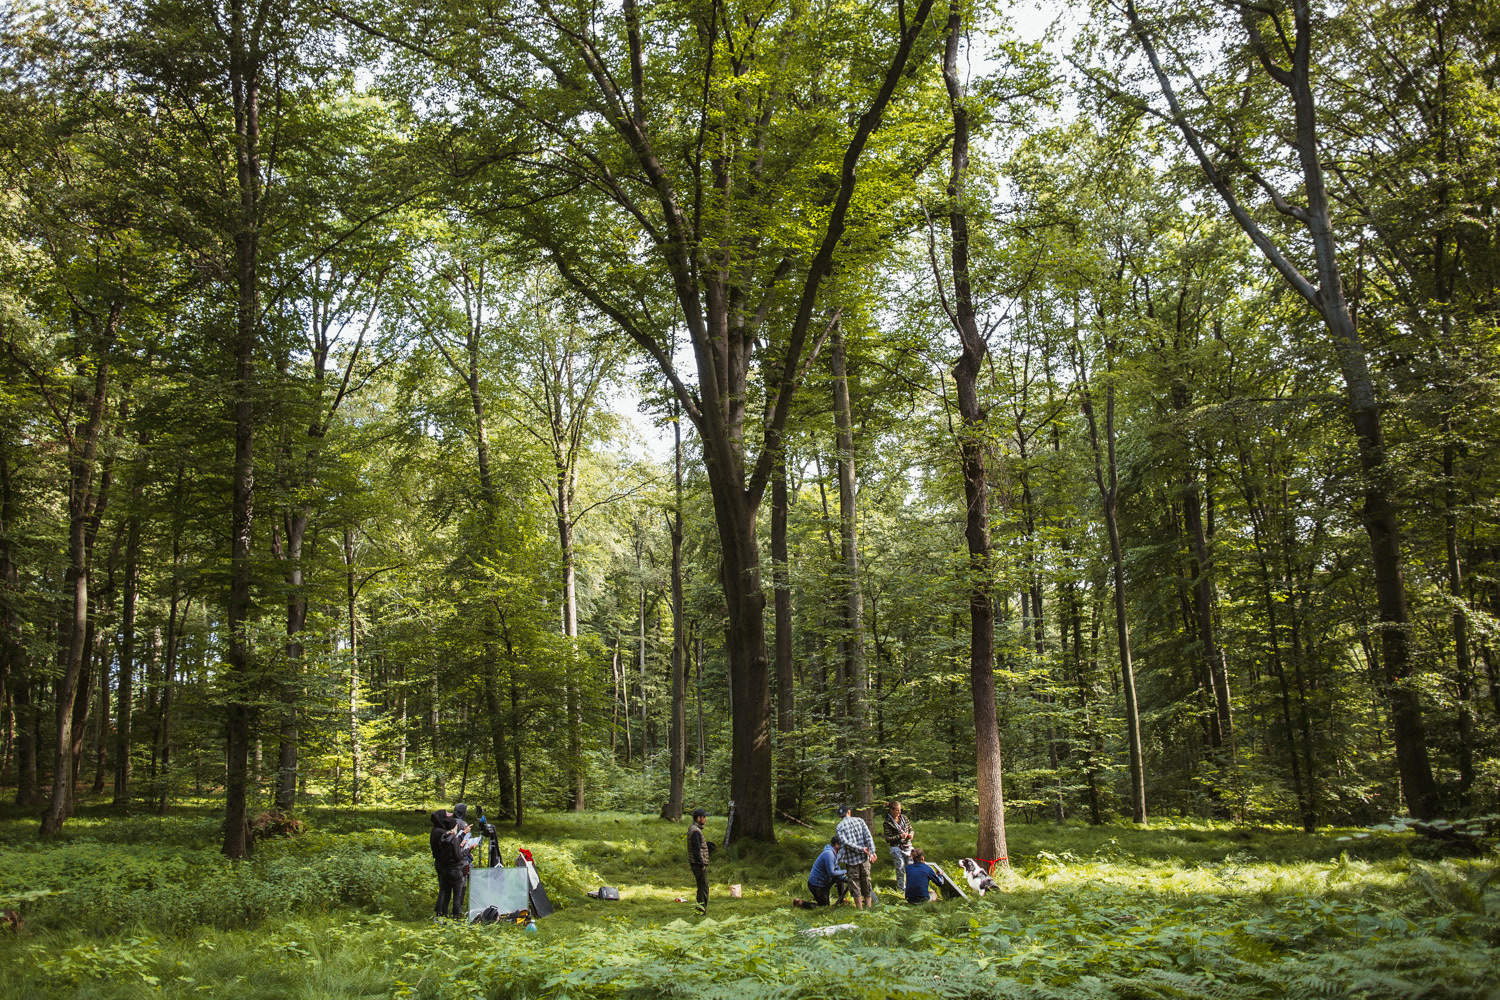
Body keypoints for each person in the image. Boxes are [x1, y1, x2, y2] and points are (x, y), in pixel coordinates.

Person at [833, 804, 877, 910]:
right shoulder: (860, 821)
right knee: (866, 881)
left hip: (851, 860)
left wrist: (860, 849)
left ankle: (860, 910)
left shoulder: (839, 827)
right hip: (864, 858)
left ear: (840, 816)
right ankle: (869, 907)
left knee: (855, 884)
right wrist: (872, 852)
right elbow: (868, 836)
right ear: (849, 812)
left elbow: (846, 843)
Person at [794, 835, 848, 908]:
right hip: (817, 886)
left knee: (839, 878)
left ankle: (843, 900)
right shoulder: (829, 854)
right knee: (824, 907)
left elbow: (838, 873)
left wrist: (849, 880)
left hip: (825, 882)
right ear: (836, 845)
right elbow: (832, 873)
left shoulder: (835, 854)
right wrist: (846, 871)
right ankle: (801, 903)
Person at [429, 810, 464, 920]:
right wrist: (462, 847)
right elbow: (455, 852)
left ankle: (442, 914)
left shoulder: (438, 832)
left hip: (444, 864)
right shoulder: (440, 832)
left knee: (445, 890)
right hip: (447, 865)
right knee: (447, 891)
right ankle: (447, 914)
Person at [882, 799, 913, 892]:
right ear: (891, 810)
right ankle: (901, 889)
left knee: (912, 866)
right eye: (897, 810)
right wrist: (900, 836)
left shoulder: (904, 818)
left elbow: (911, 829)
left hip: (908, 846)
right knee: (900, 868)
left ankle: (912, 886)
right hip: (896, 847)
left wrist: (911, 834)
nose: (899, 812)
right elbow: (887, 838)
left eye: (900, 810)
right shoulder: (888, 822)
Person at [687, 807, 711, 915]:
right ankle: (701, 911)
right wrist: (701, 864)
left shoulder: (695, 829)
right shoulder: (696, 831)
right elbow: (696, 850)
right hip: (698, 864)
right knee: (703, 888)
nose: (705, 819)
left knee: (703, 887)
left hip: (697, 863)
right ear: (698, 818)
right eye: (704, 817)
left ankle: (700, 909)